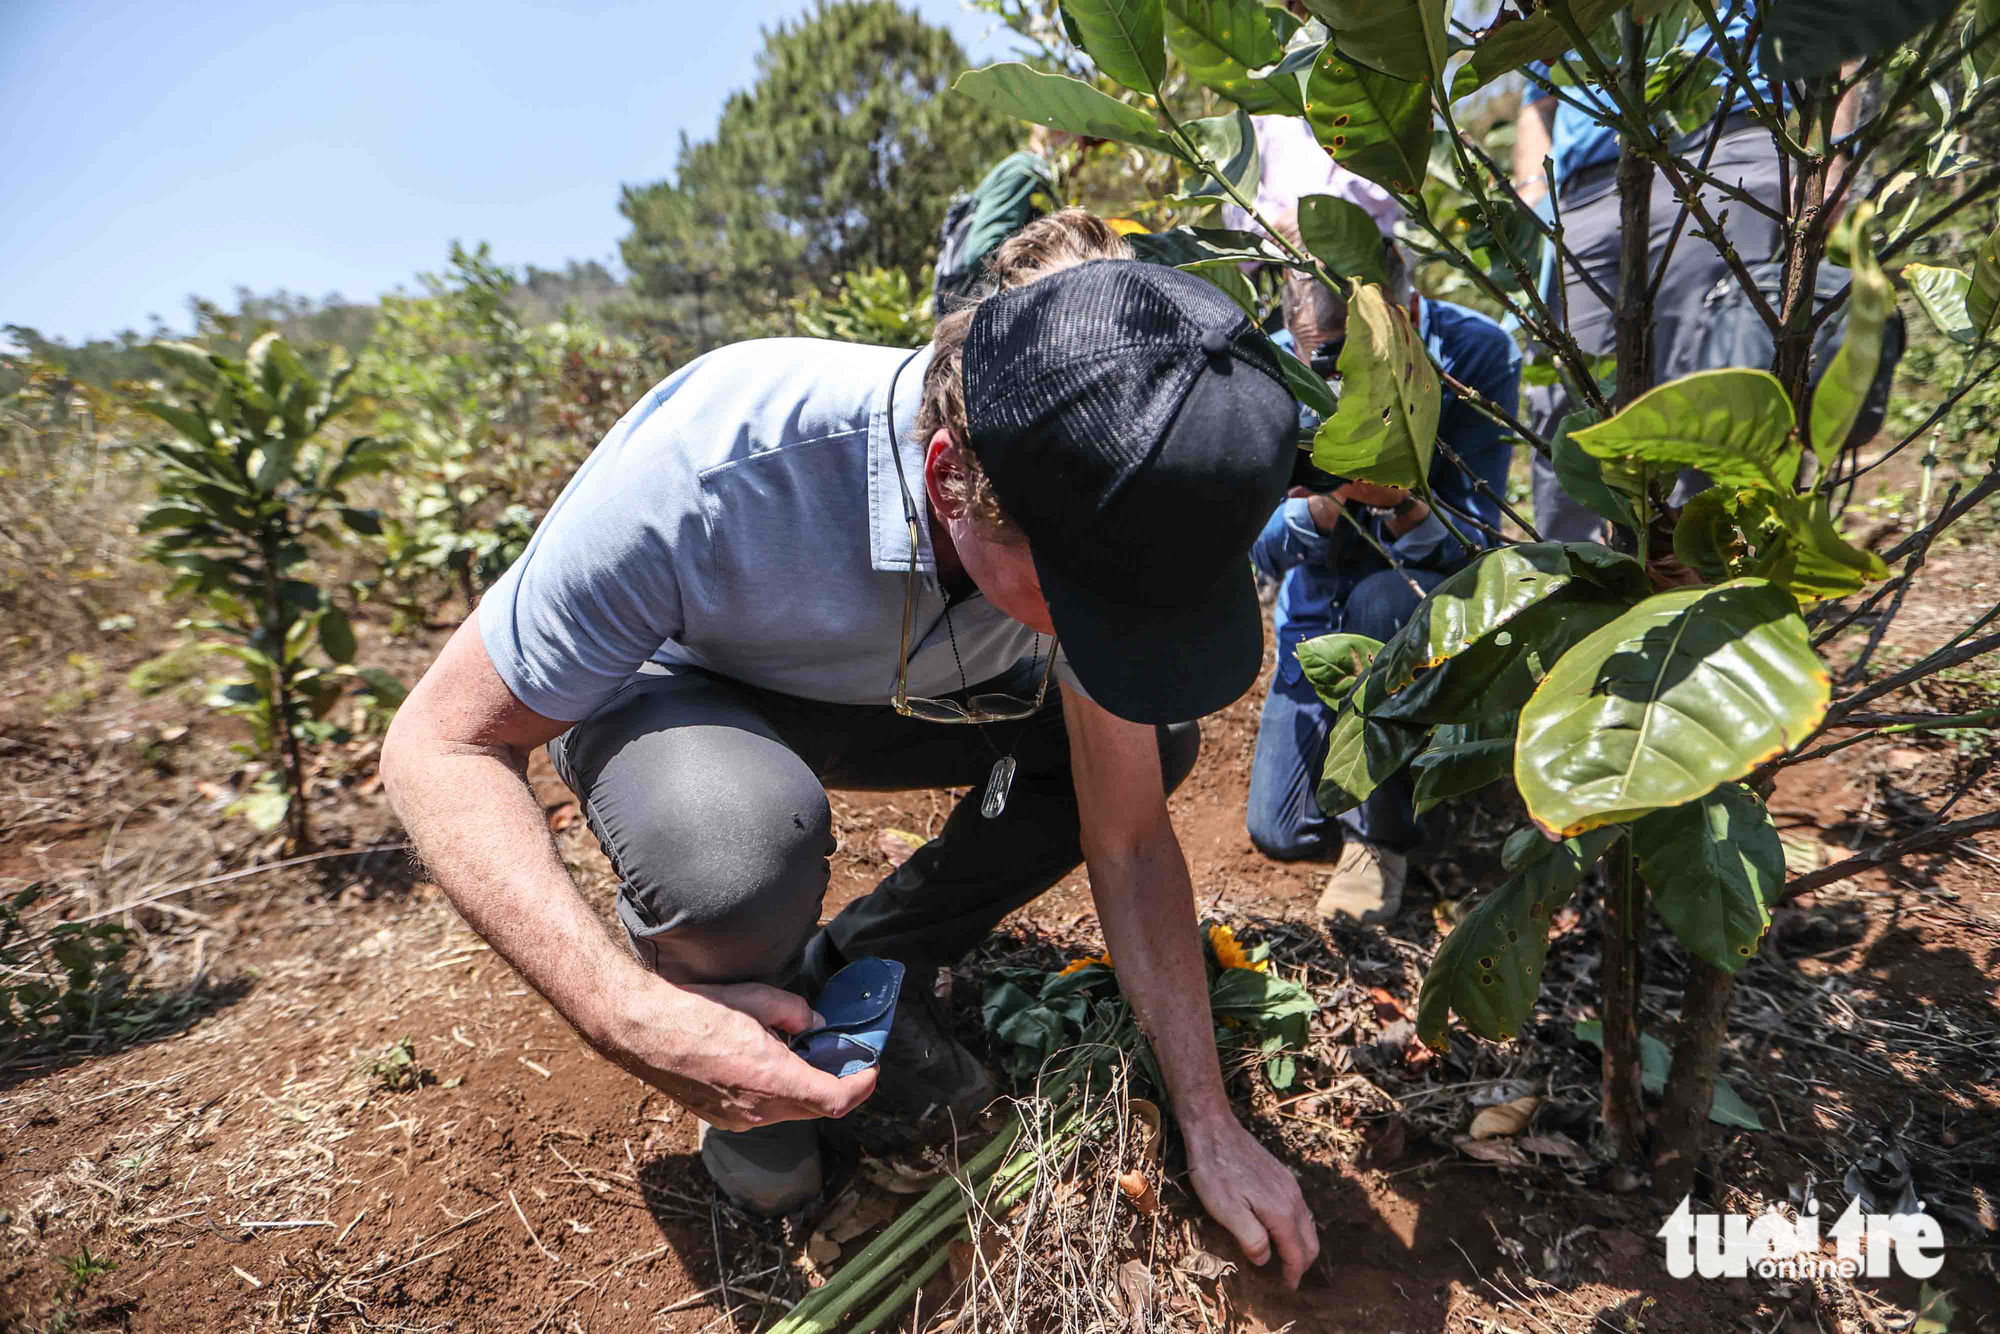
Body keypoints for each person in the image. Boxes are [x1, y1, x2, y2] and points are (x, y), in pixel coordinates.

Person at [380, 210, 1321, 1286]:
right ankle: (750, 1062)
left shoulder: (1100, 495)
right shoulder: (716, 470)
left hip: (905, 683)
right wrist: (622, 1011)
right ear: (946, 474)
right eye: (1082, 601)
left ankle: (864, 958)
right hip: (689, 685)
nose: (1101, 625)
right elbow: (434, 744)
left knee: (1145, 743)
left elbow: (1129, 836)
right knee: (731, 847)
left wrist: (1208, 1120)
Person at [1246, 242, 1521, 925]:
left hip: (1423, 605)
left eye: (1354, 351)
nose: (1337, 370)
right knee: (1283, 832)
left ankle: (1383, 839)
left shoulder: (1475, 355)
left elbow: (1478, 539)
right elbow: (1260, 548)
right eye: (1323, 355)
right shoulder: (1275, 365)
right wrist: (1327, 501)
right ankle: (1409, 788)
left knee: (1380, 602)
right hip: (1317, 618)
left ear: (1405, 314)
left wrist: (1401, 502)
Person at [1511, 2, 1858, 538]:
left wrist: (1828, 160)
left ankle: (1719, 590)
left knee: (1714, 387)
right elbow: (1539, 93)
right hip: (1583, 190)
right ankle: (1579, 595)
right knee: (1568, 404)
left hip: (1721, 147)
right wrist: (1533, 194)